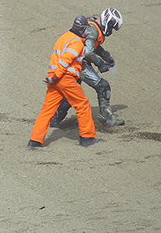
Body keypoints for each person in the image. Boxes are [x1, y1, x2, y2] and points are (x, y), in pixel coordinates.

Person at [28, 15, 104, 148]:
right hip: (64, 77)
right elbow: (65, 60)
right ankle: (88, 137)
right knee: (82, 104)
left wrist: (53, 77)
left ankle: (35, 140)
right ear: (84, 28)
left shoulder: (64, 37)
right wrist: (57, 76)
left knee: (47, 110)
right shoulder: (77, 42)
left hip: (54, 78)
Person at [50, 8, 124, 128]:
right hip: (80, 63)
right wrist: (100, 63)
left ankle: (54, 120)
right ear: (107, 21)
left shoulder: (92, 26)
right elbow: (88, 52)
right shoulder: (93, 30)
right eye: (111, 27)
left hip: (73, 62)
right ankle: (107, 119)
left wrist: (105, 55)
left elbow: (92, 44)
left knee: (72, 93)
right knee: (103, 86)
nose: (110, 30)